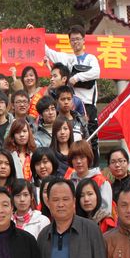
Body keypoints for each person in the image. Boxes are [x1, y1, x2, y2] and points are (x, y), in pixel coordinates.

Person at [45, 26, 99, 161]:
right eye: (72, 40)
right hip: (70, 105)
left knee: (91, 138)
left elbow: (96, 72)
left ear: (84, 40)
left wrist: (77, 77)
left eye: (78, 39)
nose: (75, 42)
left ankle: (93, 166)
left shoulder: (90, 58)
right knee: (70, 137)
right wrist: (34, 34)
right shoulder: (67, 58)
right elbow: (48, 52)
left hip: (87, 105)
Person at [68, 140, 112, 212]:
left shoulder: (101, 181)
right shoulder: (69, 182)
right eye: (75, 158)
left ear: (88, 158)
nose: (78, 161)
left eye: (82, 157)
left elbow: (105, 209)